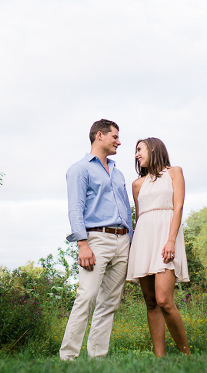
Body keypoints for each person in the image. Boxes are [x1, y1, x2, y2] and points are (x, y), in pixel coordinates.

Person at [59, 119, 133, 360]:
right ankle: (68, 358)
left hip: (122, 241)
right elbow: (75, 208)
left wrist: (130, 242)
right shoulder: (80, 169)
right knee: (87, 297)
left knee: (109, 302)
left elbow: (126, 209)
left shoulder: (118, 172)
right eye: (115, 137)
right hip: (96, 240)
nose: (119, 142)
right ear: (99, 135)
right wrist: (82, 244)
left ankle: (97, 359)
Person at [126, 137, 191, 356]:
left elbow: (178, 207)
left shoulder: (174, 172)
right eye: (135, 151)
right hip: (144, 240)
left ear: (153, 149)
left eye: (139, 149)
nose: (136, 154)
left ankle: (187, 354)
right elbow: (138, 216)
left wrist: (171, 240)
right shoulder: (137, 184)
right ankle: (159, 358)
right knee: (151, 302)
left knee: (164, 300)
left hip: (166, 238)